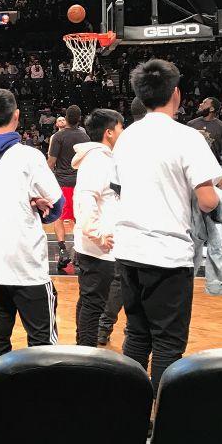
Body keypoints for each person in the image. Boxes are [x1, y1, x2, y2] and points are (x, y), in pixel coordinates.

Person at [113, 59, 222, 393]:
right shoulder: (186, 137)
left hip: (128, 250)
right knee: (168, 342)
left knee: (137, 334)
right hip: (166, 252)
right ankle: (161, 420)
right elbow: (207, 201)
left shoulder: (127, 137)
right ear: (175, 93)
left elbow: (118, 188)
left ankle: (129, 411)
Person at [0, 89, 64, 362]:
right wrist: (38, 207)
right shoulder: (28, 156)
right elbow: (56, 206)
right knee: (42, 341)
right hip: (25, 264)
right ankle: (39, 401)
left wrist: (28, 199)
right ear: (17, 115)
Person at [97, 96, 147, 346]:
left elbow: (115, 186)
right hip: (153, 223)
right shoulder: (168, 137)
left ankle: (106, 327)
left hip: (126, 218)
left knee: (122, 278)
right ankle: (134, 330)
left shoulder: (122, 144)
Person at [71, 109, 124, 347]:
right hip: (98, 246)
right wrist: (98, 234)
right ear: (109, 133)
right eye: (121, 128)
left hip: (97, 244)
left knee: (89, 301)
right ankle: (88, 357)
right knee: (94, 304)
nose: (123, 132)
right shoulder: (97, 160)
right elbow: (86, 199)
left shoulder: (102, 158)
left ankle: (83, 349)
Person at [47, 104, 89, 270]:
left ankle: (63, 250)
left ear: (66, 118)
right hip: (80, 183)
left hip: (62, 182)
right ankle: (78, 251)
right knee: (79, 218)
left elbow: (51, 162)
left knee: (58, 216)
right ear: (79, 118)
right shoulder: (85, 137)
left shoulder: (58, 136)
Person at [188, 96, 222, 165]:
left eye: (204, 103)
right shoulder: (191, 124)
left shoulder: (221, 126)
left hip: (213, 167)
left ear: (212, 109)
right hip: (193, 164)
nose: (200, 104)